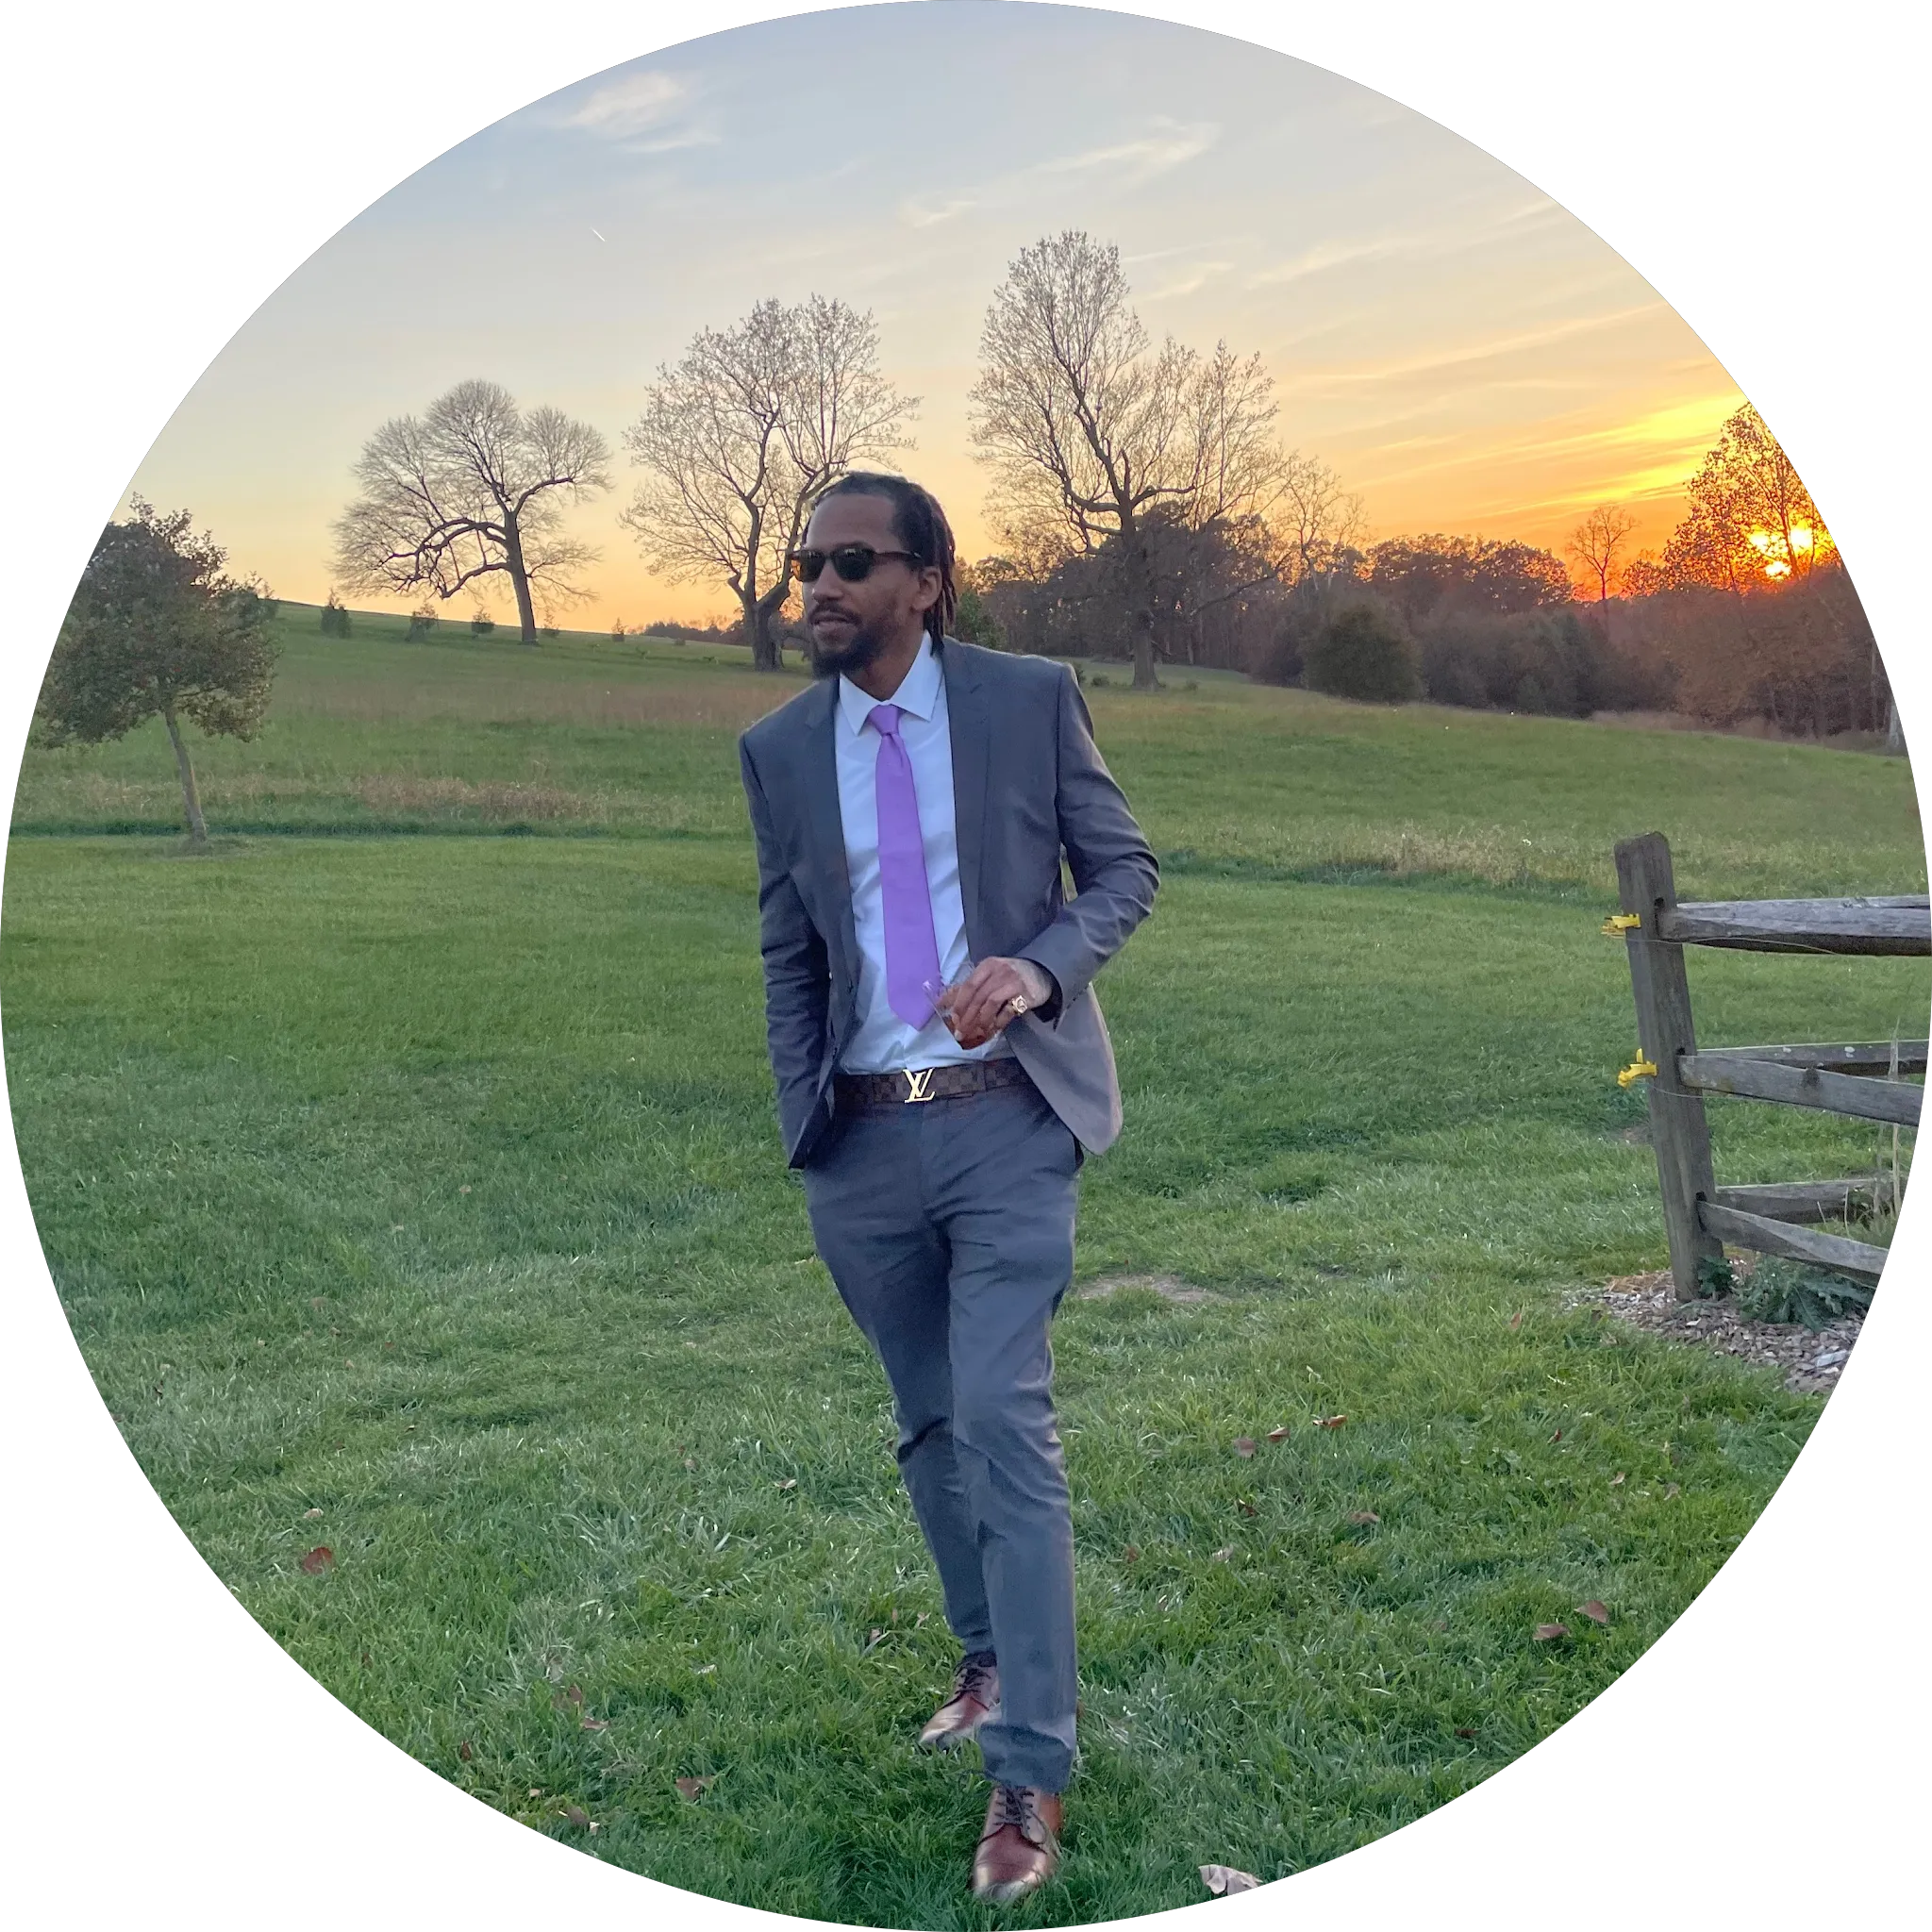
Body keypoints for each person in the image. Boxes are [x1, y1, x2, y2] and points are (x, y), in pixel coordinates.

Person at [737, 472, 1158, 1903]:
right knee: (929, 1425)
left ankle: (1030, 1767)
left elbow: (1124, 872)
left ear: (927, 581)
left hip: (1005, 1123)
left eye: (854, 561)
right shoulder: (778, 749)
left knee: (1001, 1421)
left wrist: (1038, 967)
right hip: (863, 1143)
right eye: (810, 564)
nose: (822, 585)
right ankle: (986, 1664)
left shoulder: (1027, 700)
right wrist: (805, 1124)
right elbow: (789, 949)